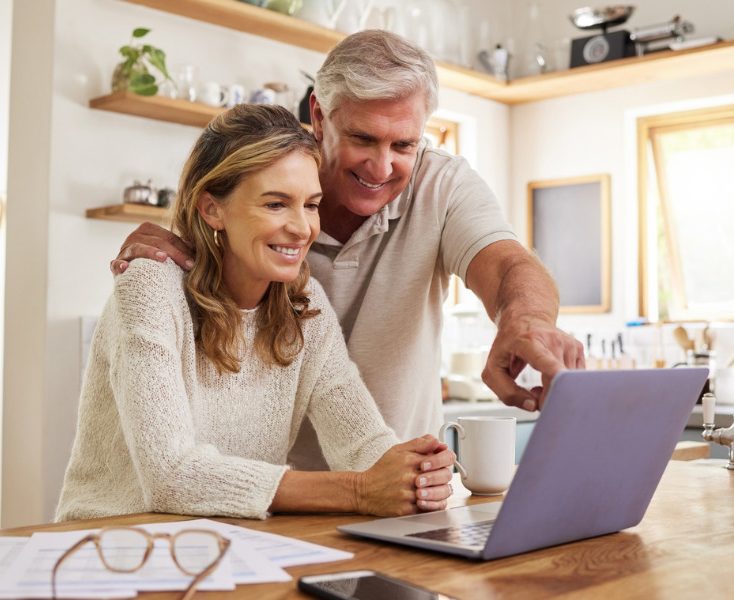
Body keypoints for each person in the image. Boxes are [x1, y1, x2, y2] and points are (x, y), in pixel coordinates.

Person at [111, 30, 585, 471]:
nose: (382, 167)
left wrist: (526, 320)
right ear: (319, 116)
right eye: (363, 138)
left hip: (383, 485)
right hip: (262, 497)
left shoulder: (442, 186)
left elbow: (507, 266)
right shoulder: (257, 198)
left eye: (404, 144)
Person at [55, 104, 454, 522]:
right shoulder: (151, 287)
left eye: (311, 205)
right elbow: (171, 475)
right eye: (276, 204)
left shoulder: (305, 304)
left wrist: (415, 472)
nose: (302, 228)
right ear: (212, 209)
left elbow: (363, 445)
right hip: (111, 551)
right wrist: (358, 490)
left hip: (231, 548)